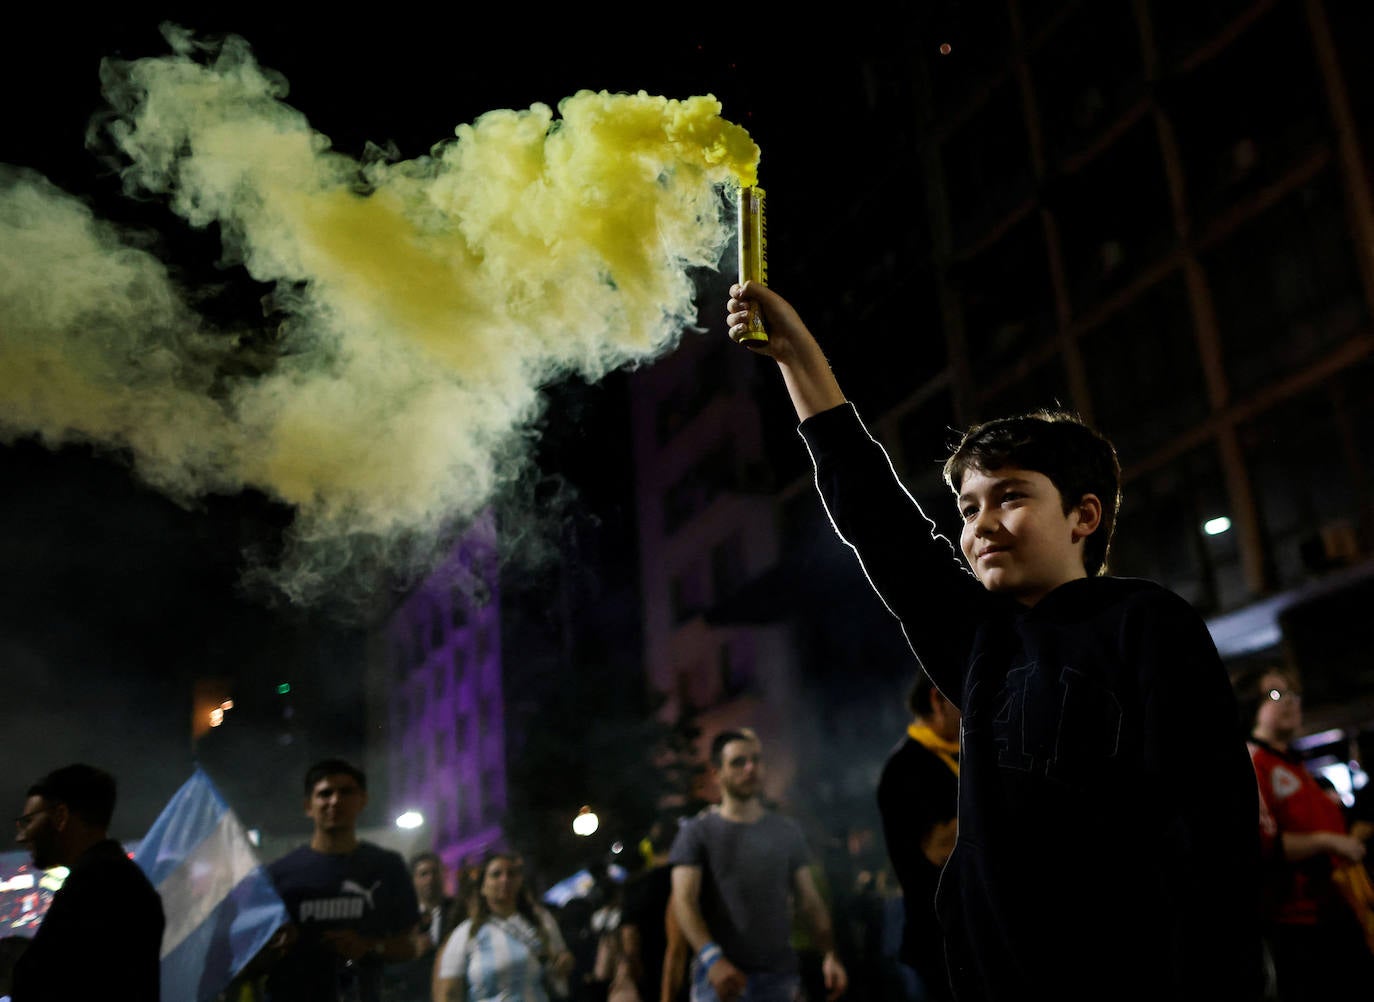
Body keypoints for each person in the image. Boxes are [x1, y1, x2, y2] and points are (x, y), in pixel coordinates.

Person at [724, 282, 1264, 1001]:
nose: (980, 524)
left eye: (1010, 496)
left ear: (1083, 515)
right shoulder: (980, 638)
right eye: (968, 507)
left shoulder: (1147, 623)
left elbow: (1214, 832)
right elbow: (875, 513)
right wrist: (793, 355)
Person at [668, 727, 847, 1002]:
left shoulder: (786, 830)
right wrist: (712, 958)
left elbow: (810, 901)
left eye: (756, 759)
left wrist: (830, 955)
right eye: (738, 762)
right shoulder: (696, 832)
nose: (750, 768)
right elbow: (683, 901)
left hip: (780, 978)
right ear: (717, 773)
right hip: (720, 981)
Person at [1237, 664, 1374, 999]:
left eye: (1293, 694)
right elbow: (1261, 843)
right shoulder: (1253, 762)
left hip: (1336, 912)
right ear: (1250, 707)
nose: (1290, 702)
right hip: (1301, 928)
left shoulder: (1292, 765)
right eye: (1274, 694)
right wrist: (1330, 841)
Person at [255, 758, 420, 1002]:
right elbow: (253, 958)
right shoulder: (279, 875)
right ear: (307, 806)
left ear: (362, 800)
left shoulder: (387, 867)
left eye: (346, 792)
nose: (335, 800)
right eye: (324, 793)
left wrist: (369, 947)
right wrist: (274, 947)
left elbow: (410, 946)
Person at [9, 762, 165, 1002]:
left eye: (28, 821)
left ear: (61, 816)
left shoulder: (95, 884)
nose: (21, 836)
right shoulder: (119, 878)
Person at [875, 671, 960, 1001]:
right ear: (937, 699)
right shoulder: (905, 768)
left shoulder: (960, 752)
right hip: (939, 938)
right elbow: (938, 849)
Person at [433, 849, 576, 1002]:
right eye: (496, 874)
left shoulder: (540, 920)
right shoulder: (465, 934)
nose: (505, 879)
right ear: (483, 887)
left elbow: (562, 957)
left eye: (511, 874)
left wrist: (564, 962)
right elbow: (449, 993)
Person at [621, 817, 687, 1002]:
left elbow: (630, 937)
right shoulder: (689, 876)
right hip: (696, 971)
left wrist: (634, 970)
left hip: (653, 976)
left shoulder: (636, 888)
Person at [383, 851, 460, 1001]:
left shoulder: (458, 912)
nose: (430, 879)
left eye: (435, 872)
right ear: (413, 880)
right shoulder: (398, 918)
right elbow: (387, 968)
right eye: (423, 874)